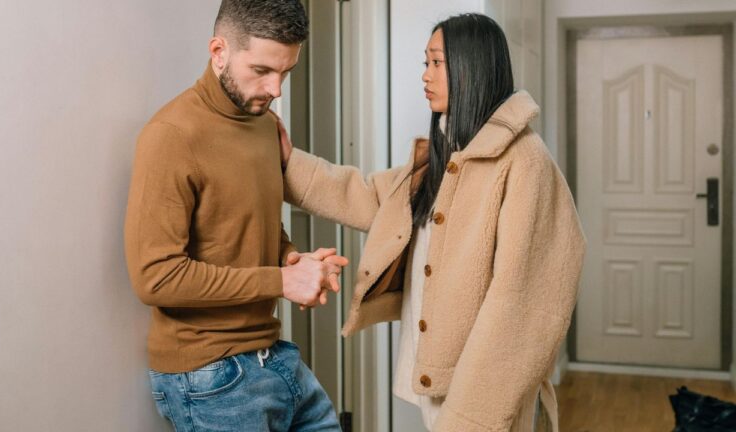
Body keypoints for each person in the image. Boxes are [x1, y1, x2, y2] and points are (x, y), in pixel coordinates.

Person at [278, 13, 585, 432]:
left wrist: (470, 414)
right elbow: (368, 197)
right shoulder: (447, 154)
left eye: (436, 63)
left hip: (482, 392)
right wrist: (286, 163)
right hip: (444, 375)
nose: (425, 75)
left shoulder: (525, 162)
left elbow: (524, 304)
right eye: (426, 62)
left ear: (471, 66)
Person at [123, 1, 346, 430]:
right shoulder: (171, 136)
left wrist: (292, 260)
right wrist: (281, 281)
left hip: (274, 356)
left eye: (286, 72)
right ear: (219, 51)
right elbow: (156, 277)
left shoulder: (263, 123)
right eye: (262, 70)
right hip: (209, 375)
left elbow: (249, 221)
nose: (276, 89)